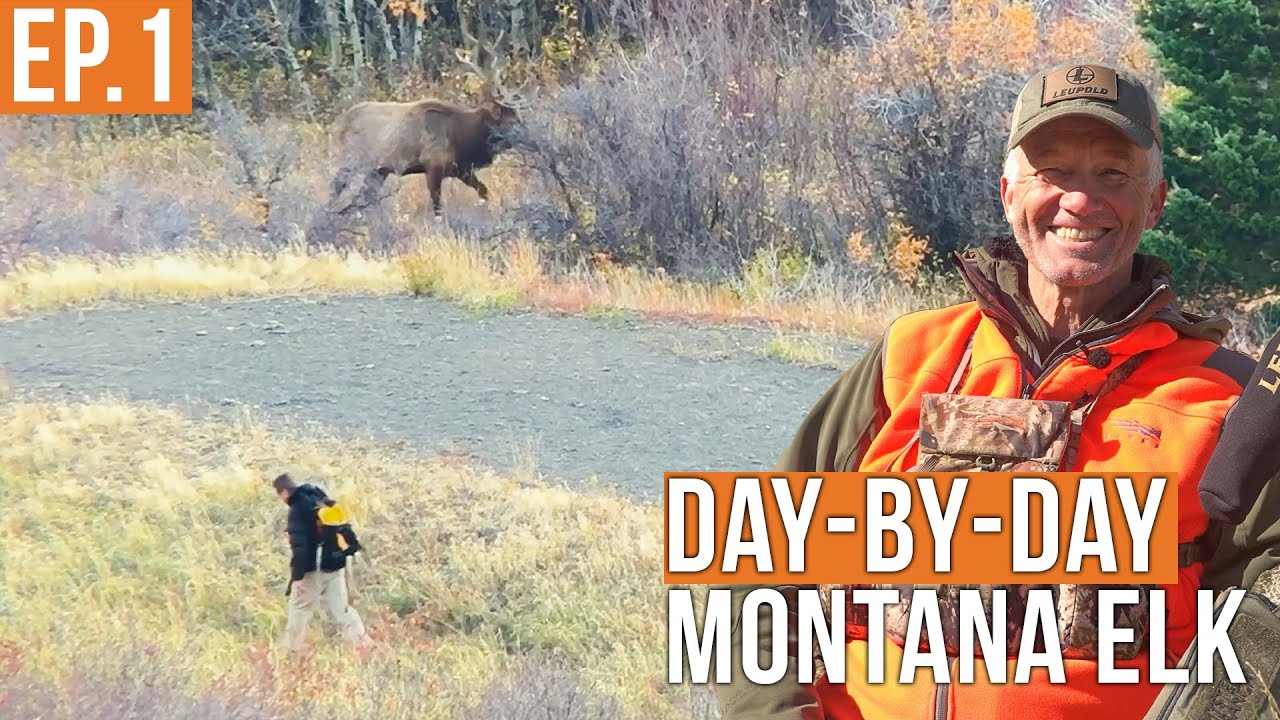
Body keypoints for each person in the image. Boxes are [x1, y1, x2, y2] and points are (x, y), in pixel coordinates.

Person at [712, 59, 1278, 720]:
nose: (1080, 200)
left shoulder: (1224, 398)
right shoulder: (913, 358)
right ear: (1008, 191)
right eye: (1053, 170)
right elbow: (766, 554)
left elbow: (1264, 619)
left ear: (1154, 202)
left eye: (1113, 174)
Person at [273, 472, 373, 660]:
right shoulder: (319, 497)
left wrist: (298, 576)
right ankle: (363, 645)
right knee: (342, 609)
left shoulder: (297, 509)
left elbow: (300, 546)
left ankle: (291, 652)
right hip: (335, 563)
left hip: (314, 568)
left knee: (299, 608)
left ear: (284, 491)